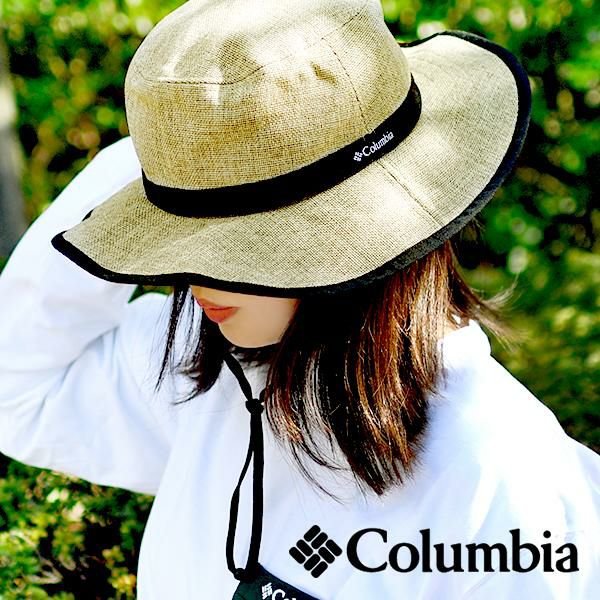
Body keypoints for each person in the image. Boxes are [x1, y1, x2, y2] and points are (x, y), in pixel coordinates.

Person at [1, 0, 599, 598]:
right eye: (180, 236)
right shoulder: (214, 365)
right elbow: (17, 389)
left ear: (361, 225)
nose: (192, 274)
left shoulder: (502, 480)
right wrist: (178, 145)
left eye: (238, 241)